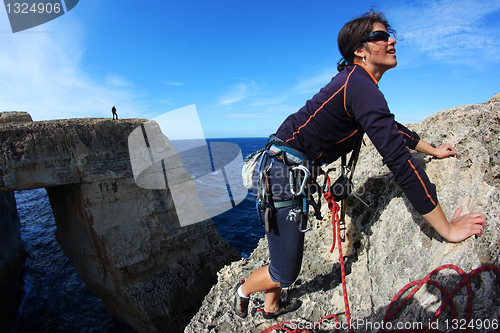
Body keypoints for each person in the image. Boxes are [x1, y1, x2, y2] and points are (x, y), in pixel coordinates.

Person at [234, 10, 487, 320]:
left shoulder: (357, 84)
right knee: (285, 273)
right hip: (283, 175)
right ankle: (244, 291)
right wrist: (446, 229)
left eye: (389, 35)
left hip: (281, 169)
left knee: (283, 253)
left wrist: (432, 150)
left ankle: (271, 306)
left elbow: (391, 129)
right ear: (360, 50)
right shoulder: (358, 84)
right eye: (381, 37)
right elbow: (398, 161)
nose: (392, 40)